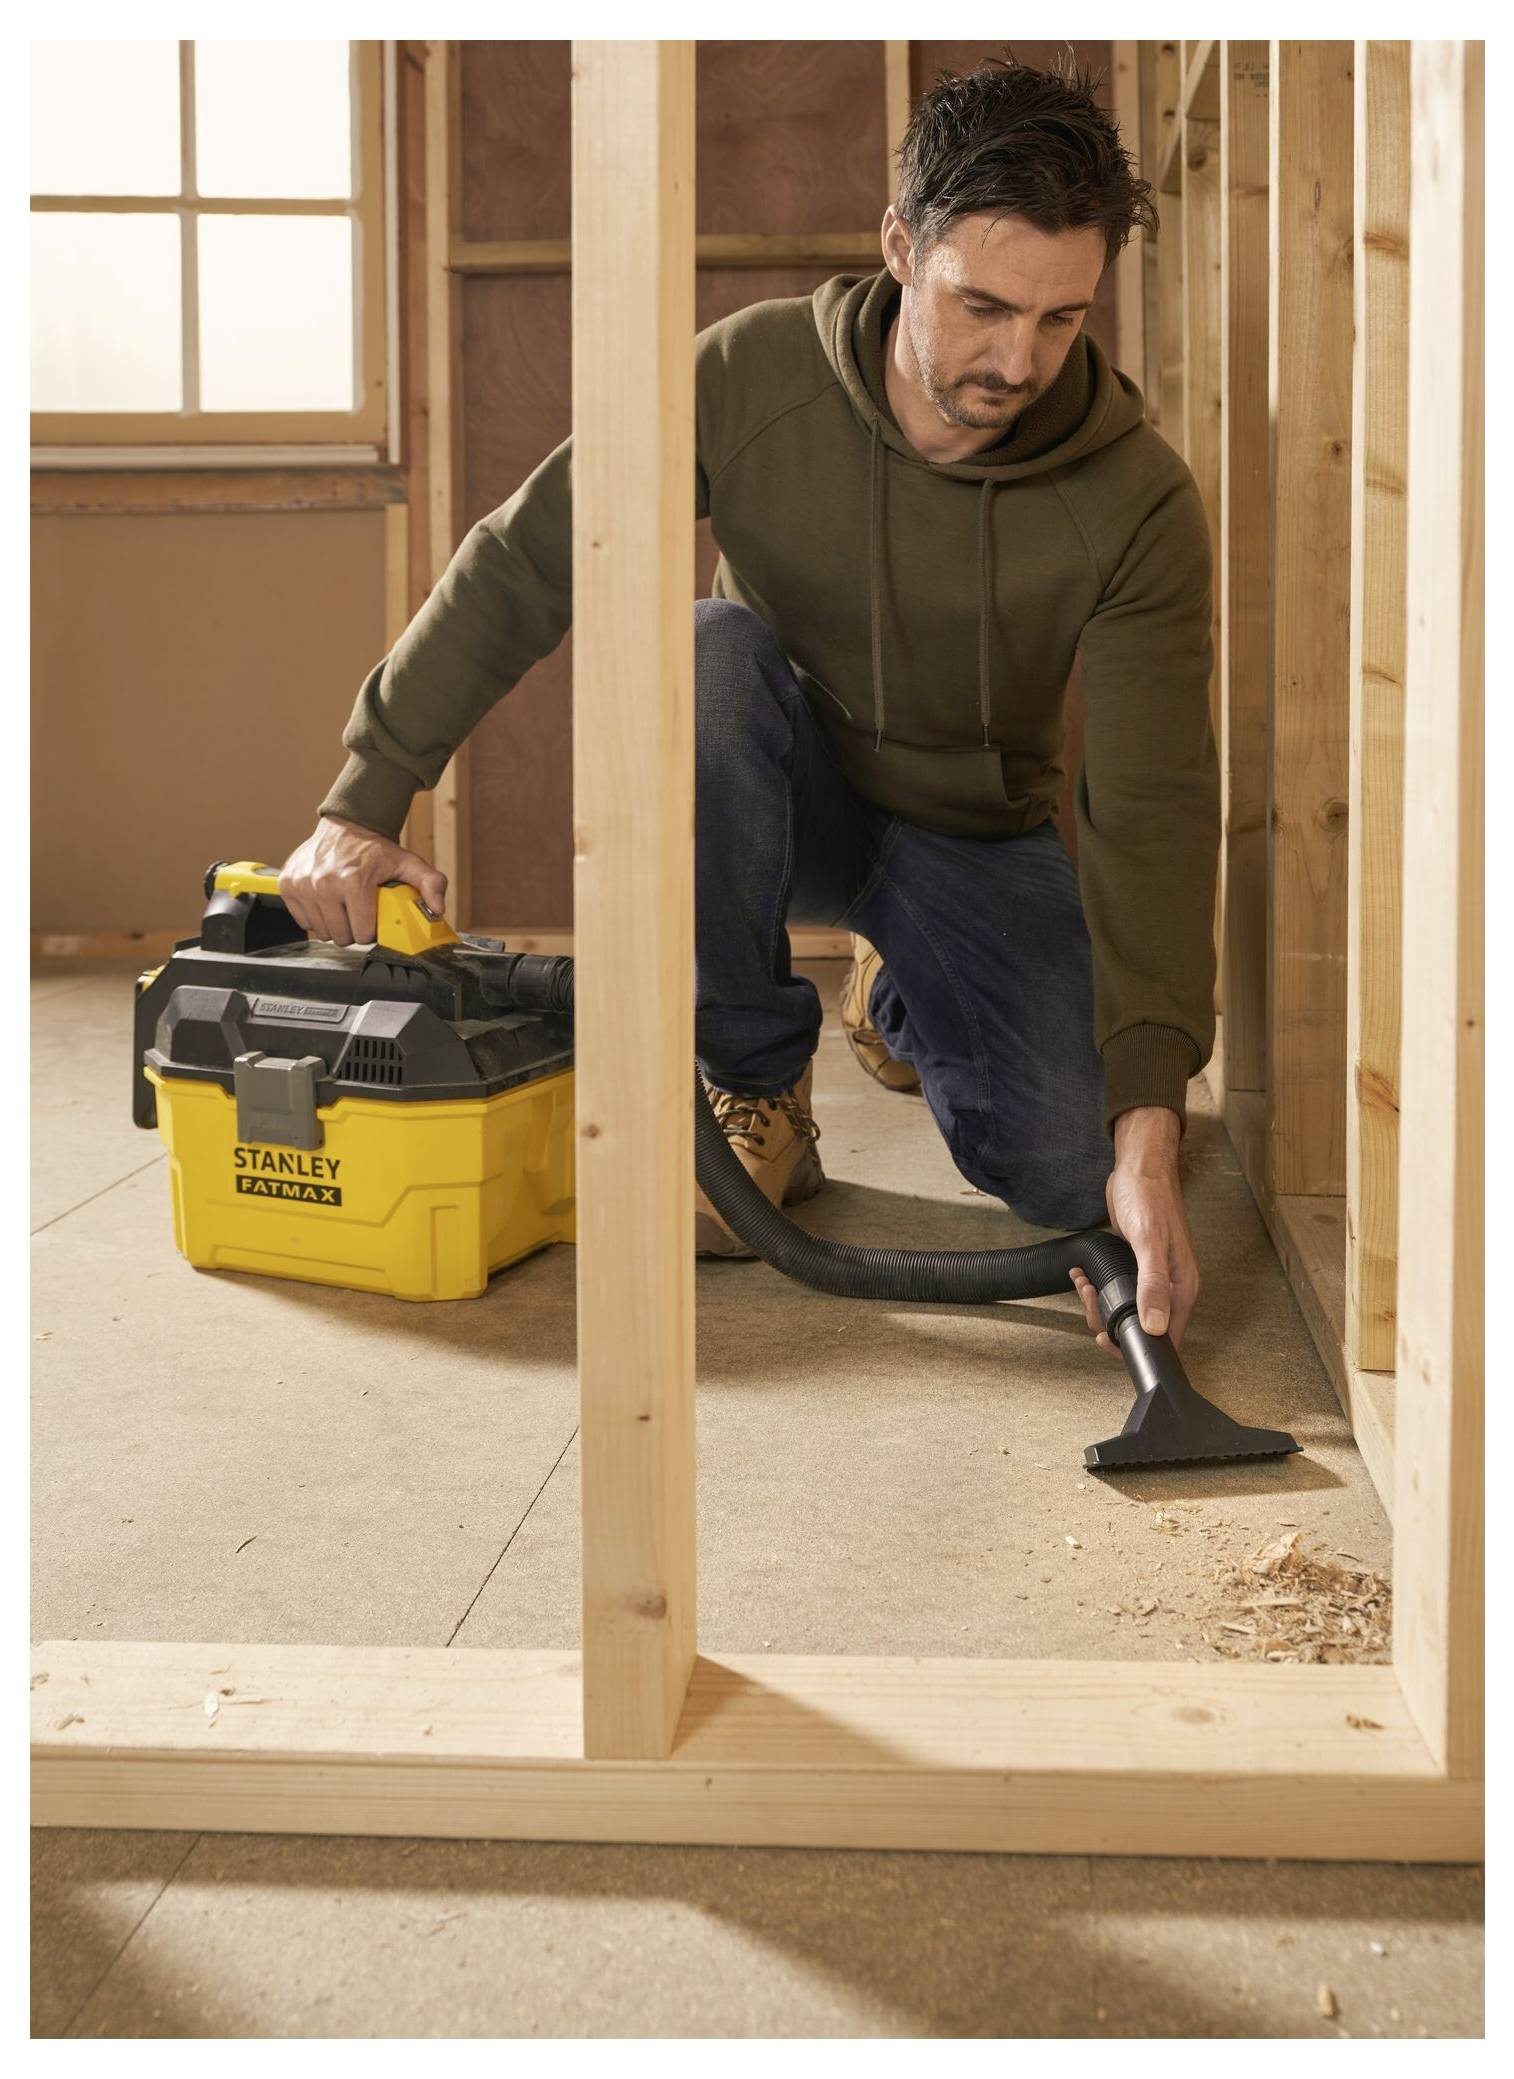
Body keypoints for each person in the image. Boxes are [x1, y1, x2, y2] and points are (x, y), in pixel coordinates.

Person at [280, 53, 1219, 1360]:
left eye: (1061, 320)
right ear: (900, 245)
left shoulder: (1135, 501)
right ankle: (755, 1080)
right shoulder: (751, 376)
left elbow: (1153, 809)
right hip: (778, 792)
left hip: (972, 840)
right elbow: (529, 556)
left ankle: (904, 993)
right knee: (705, 650)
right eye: (982, 305)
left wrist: (1148, 1130)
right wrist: (362, 798)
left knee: (1074, 1171)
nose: (1016, 361)